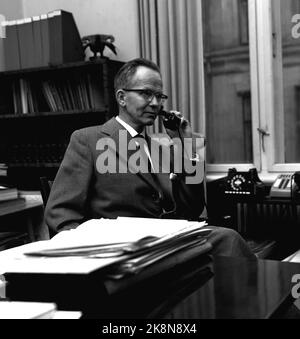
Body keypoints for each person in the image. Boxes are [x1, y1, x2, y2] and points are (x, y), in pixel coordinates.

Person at [44, 58, 255, 259]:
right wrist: (93, 253)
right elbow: (61, 213)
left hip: (167, 241)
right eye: (146, 93)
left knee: (228, 239)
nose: (155, 103)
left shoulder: (161, 150)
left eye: (159, 96)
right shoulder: (88, 140)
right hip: (122, 248)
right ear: (121, 97)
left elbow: (193, 207)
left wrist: (186, 144)